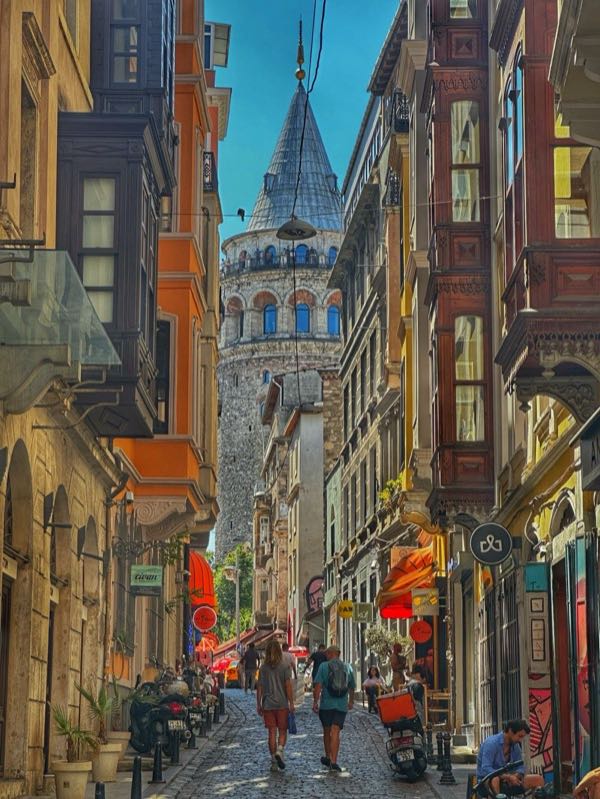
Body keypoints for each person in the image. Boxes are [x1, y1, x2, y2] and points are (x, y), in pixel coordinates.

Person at [313, 644, 356, 773]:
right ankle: (333, 761)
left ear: (330, 654)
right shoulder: (347, 667)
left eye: (327, 654)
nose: (326, 655)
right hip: (341, 705)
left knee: (327, 731)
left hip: (326, 705)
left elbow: (318, 685)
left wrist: (315, 701)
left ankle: (327, 756)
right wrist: (351, 701)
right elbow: (352, 686)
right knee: (336, 731)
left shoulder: (323, 666)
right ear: (339, 653)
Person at [476, 719, 545, 797]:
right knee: (495, 779)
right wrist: (507, 777)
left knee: (538, 779)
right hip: (486, 781)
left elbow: (520, 766)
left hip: (508, 781)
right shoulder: (491, 743)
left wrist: (517, 775)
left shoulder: (515, 746)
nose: (520, 740)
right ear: (510, 731)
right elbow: (486, 769)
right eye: (519, 736)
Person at [256, 641, 294, 771]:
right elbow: (288, 686)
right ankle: (280, 749)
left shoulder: (263, 668)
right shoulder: (284, 666)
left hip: (268, 705)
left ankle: (273, 760)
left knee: (271, 732)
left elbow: (259, 687)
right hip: (282, 704)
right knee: (282, 730)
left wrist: (259, 704)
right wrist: (291, 703)